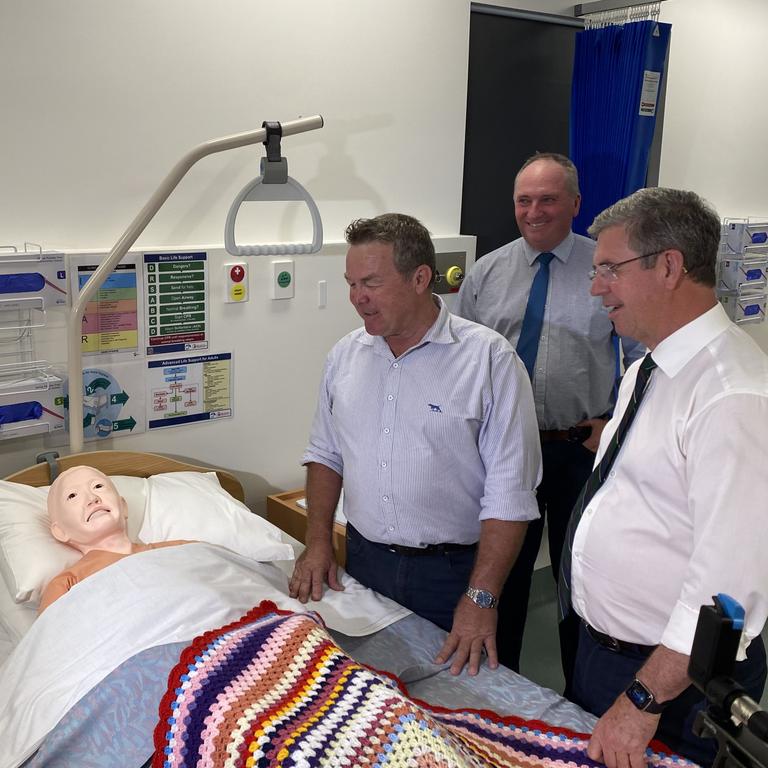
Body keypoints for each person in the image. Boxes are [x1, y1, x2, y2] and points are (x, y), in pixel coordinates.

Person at [564, 187, 768, 767]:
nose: (596, 286)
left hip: (669, 687)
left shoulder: (732, 395)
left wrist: (643, 697)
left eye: (609, 269)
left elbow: (727, 591)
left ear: (671, 266)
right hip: (608, 653)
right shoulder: (650, 367)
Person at [289, 212, 542, 676]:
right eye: (350, 283)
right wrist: (319, 541)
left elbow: (510, 495)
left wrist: (480, 596)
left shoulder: (489, 361)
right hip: (366, 562)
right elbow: (326, 454)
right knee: (376, 692)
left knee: (464, 699)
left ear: (421, 278)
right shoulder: (346, 356)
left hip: (453, 573)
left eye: (371, 283)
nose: (357, 299)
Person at [456, 152, 644, 677]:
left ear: (575, 205)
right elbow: (462, 364)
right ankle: (498, 685)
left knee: (577, 577)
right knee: (501, 574)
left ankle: (578, 695)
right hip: (502, 452)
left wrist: (614, 427)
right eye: (524, 200)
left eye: (548, 199)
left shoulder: (607, 272)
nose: (534, 211)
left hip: (578, 448)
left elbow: (639, 358)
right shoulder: (487, 274)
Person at [40, 465, 188, 613]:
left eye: (98, 486)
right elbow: (52, 633)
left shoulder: (183, 551)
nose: (92, 498)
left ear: (123, 507)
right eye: (72, 496)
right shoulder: (66, 584)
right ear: (60, 531)